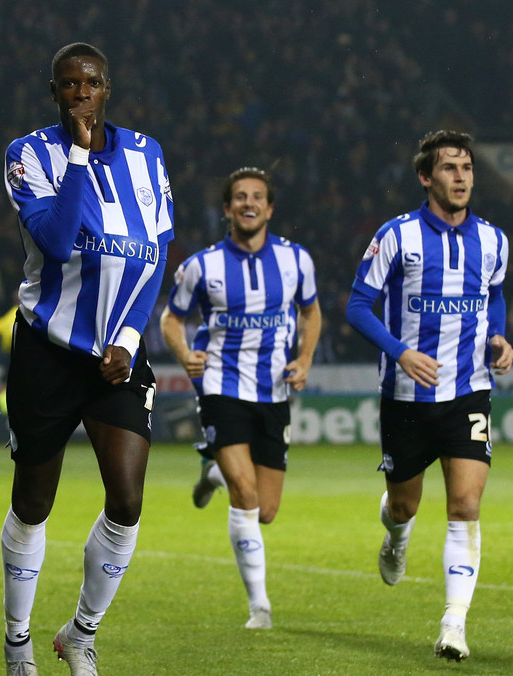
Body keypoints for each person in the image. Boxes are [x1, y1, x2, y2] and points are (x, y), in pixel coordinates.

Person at [0, 42, 173, 676]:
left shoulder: (147, 156)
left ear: (108, 89)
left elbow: (154, 255)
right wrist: (77, 153)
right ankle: (18, 639)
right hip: (47, 351)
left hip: (116, 357)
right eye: (68, 85)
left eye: (91, 84)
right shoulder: (29, 155)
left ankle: (81, 633)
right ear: (55, 94)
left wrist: (129, 338)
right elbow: (55, 236)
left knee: (127, 499)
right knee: (34, 502)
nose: (80, 94)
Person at [346, 131, 513, 662]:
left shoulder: (493, 239)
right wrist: (401, 352)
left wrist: (498, 337)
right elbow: (357, 306)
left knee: (465, 503)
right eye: (449, 168)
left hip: (469, 391)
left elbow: (496, 294)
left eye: (467, 167)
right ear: (426, 177)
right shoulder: (396, 236)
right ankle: (395, 537)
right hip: (406, 394)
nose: (461, 177)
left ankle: (454, 623)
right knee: (405, 504)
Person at [160, 166, 320, 630]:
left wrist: (305, 360)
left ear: (269, 209)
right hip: (221, 387)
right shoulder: (202, 266)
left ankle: (211, 471)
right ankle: (260, 607)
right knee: (246, 496)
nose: (248, 204)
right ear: (227, 209)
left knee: (266, 511)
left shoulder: (296, 261)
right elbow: (171, 319)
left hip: (273, 392)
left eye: (257, 197)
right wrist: (186, 353)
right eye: (239, 198)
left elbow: (312, 315)